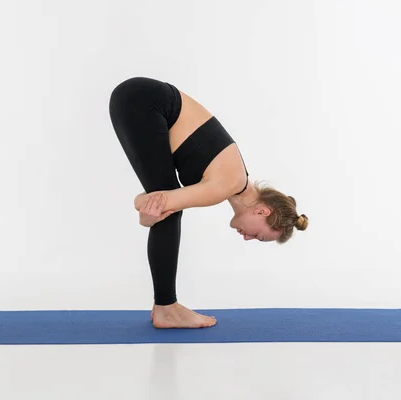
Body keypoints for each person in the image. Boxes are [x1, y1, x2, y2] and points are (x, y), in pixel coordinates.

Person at [109, 77, 308, 329]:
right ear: (262, 210)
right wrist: (148, 212)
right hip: (145, 101)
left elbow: (154, 202)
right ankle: (166, 308)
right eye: (258, 235)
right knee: (170, 212)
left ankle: (166, 307)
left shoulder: (235, 179)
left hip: (140, 97)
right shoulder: (227, 184)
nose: (247, 238)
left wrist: (148, 211)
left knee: (168, 207)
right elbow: (156, 204)